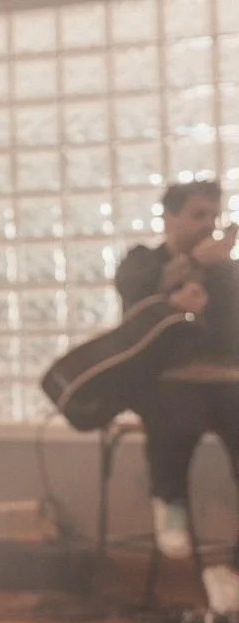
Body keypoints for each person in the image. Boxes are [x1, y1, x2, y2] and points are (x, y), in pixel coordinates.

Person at [114, 179, 239, 588]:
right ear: (170, 217)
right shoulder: (141, 262)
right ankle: (169, 501)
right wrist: (178, 290)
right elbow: (133, 312)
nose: (208, 225)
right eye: (198, 215)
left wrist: (218, 276)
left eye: (213, 216)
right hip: (164, 380)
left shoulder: (226, 272)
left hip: (223, 382)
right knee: (176, 416)